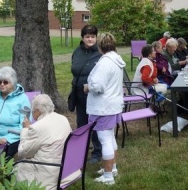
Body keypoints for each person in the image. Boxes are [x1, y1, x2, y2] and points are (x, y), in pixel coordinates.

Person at [85, 33, 125, 185]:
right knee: (110, 137)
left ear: (100, 46)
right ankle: (112, 168)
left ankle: (108, 176)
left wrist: (88, 87)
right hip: (113, 105)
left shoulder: (104, 63)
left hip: (103, 107)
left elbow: (98, 86)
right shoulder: (116, 60)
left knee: (105, 140)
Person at [16, 94, 77, 189]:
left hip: (49, 173)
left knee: (16, 167)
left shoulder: (37, 127)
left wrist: (25, 130)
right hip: (68, 168)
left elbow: (23, 152)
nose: (32, 112)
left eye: (33, 110)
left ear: (38, 111)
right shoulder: (62, 118)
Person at [70, 25, 102, 164]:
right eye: (87, 36)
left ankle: (97, 152)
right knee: (81, 123)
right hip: (78, 94)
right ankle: (81, 151)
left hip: (93, 95)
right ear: (82, 38)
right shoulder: (77, 52)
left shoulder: (100, 53)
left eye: (93, 36)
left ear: (96, 37)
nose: (90, 39)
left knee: (94, 123)